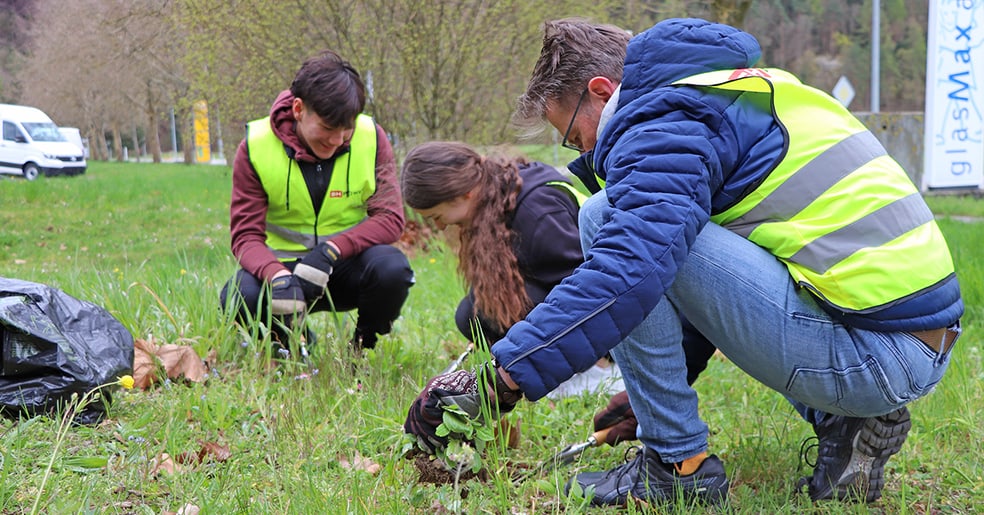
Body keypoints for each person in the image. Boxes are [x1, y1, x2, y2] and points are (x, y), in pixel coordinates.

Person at [404, 18, 963, 508]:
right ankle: (845, 419)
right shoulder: (726, 93)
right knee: (655, 228)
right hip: (907, 340)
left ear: (602, 91)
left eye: (576, 136)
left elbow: (633, 269)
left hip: (872, 352)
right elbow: (717, 274)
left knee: (606, 217)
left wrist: (497, 380)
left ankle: (678, 469)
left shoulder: (661, 122)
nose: (586, 156)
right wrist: (653, 394)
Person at [220, 50, 414, 358]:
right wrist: (276, 274)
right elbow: (245, 237)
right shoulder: (255, 147)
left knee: (392, 269)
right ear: (298, 109)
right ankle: (290, 344)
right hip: (284, 271)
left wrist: (331, 250)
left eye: (346, 128)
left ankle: (363, 345)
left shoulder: (372, 138)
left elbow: (390, 218)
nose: (338, 139)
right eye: (327, 128)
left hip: (344, 267)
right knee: (238, 295)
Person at [400, 141, 623, 399]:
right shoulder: (494, 195)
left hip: (614, 310)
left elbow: (591, 290)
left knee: (522, 303)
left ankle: (599, 370)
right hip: (558, 285)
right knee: (472, 314)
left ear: (462, 194)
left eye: (437, 216)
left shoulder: (538, 211)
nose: (439, 228)